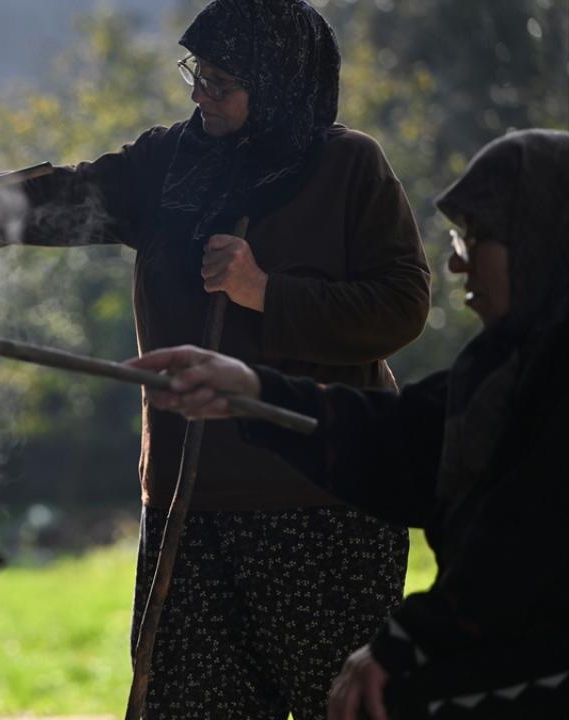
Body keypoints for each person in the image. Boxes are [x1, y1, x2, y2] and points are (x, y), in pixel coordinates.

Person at [0, 1, 430, 716]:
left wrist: (265, 292)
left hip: (322, 512)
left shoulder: (349, 167)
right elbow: (57, 197)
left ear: (280, 86)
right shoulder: (169, 163)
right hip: (189, 504)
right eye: (197, 74)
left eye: (221, 83)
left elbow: (400, 307)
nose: (198, 95)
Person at [131, 128, 569, 719]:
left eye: (477, 236)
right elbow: (405, 438)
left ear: (543, 239)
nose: (457, 260)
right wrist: (252, 390)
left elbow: (525, 540)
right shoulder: (510, 368)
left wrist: (404, 642)